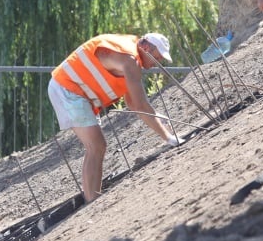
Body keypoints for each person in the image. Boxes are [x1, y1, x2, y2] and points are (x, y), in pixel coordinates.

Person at [48, 33, 181, 203]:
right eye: (157, 57)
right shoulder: (129, 60)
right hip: (68, 89)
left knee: (96, 146)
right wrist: (168, 138)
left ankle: (92, 198)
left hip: (68, 87)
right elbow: (140, 106)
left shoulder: (128, 54)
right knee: (96, 145)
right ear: (146, 48)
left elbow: (133, 104)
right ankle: (92, 201)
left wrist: (155, 116)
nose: (157, 63)